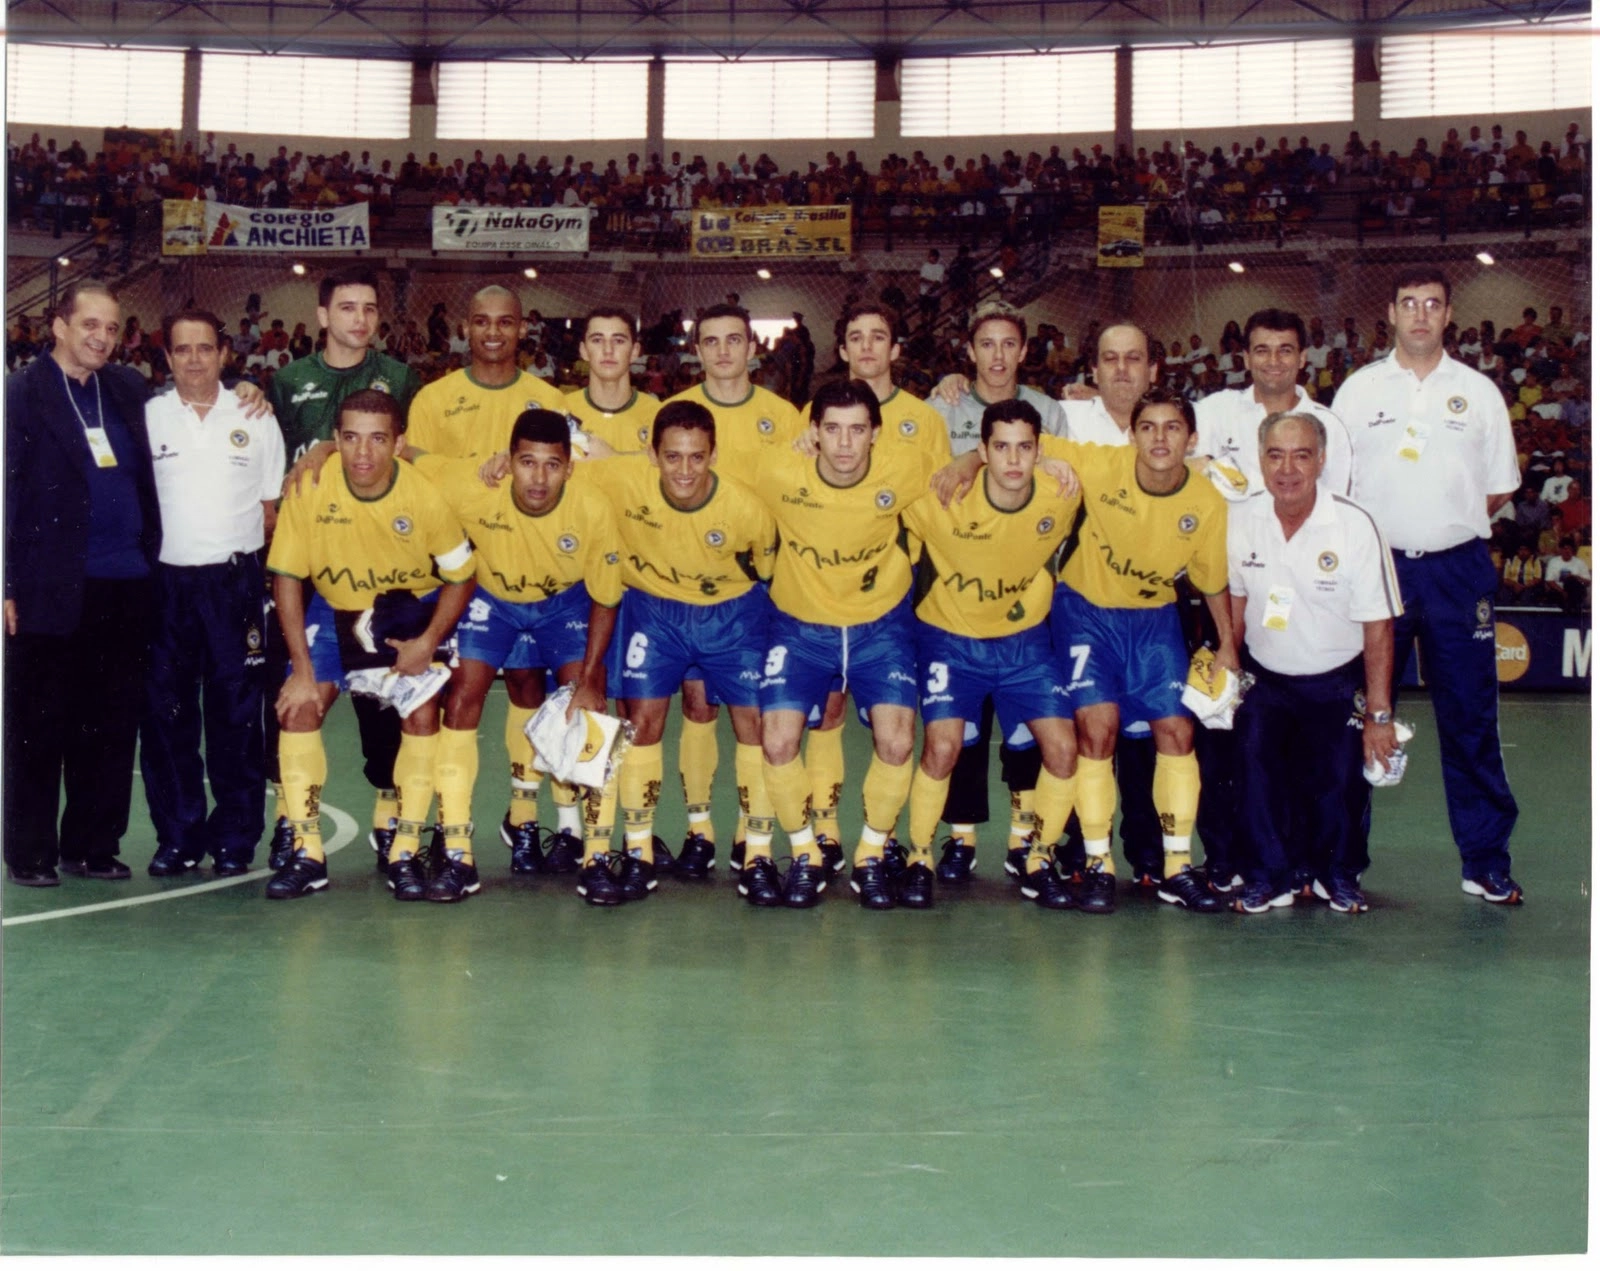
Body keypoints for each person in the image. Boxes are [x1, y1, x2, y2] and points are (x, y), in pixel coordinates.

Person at [1333, 266, 1524, 904]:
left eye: (1432, 305)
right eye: (1408, 303)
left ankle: (1485, 859)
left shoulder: (1481, 392)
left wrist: (1440, 524)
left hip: (1456, 568)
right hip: (1376, 569)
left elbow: (1497, 488)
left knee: (1470, 718)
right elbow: (1335, 490)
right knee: (1358, 715)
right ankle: (1340, 862)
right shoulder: (1358, 392)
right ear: (1390, 311)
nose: (1419, 315)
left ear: (1448, 316)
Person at [263, 390, 476, 900]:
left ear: (399, 443)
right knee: (300, 707)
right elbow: (287, 579)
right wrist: (301, 670)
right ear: (335, 441)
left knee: (422, 716)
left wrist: (428, 641)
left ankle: (404, 850)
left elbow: (462, 577)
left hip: (403, 614)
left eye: (378, 439)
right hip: (334, 609)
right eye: (352, 438)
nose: (363, 453)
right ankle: (307, 852)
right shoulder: (311, 489)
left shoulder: (423, 497)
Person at [1038, 388, 1237, 914]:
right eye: (1148, 427)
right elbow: (1023, 442)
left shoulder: (1206, 502)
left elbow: (1212, 582)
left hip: (1153, 620)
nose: (1159, 438)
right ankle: (1099, 863)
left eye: (1173, 428)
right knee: (1096, 730)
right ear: (1132, 433)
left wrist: (1228, 648)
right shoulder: (1103, 464)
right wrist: (966, 461)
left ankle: (1177, 867)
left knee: (1177, 730)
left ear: (1192, 438)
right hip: (1087, 614)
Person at [416, 409, 622, 902]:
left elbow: (607, 599)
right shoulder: (471, 487)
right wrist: (324, 449)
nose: (539, 477)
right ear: (507, 462)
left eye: (552, 465)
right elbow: (404, 453)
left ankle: (596, 857)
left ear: (570, 467)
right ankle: (458, 852)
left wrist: (590, 677)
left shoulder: (592, 510)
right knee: (463, 696)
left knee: (592, 713)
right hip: (493, 600)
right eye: (527, 462)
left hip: (564, 602)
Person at [579, 399, 778, 892]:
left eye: (696, 457)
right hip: (655, 611)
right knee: (642, 722)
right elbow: (557, 463)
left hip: (732, 615)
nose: (684, 469)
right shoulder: (619, 478)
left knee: (754, 724)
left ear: (714, 454)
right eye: (673, 457)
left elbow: (768, 571)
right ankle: (640, 851)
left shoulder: (747, 509)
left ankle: (755, 853)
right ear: (652, 454)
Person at [753, 379, 937, 908]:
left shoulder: (905, 468)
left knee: (898, 741)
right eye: (832, 429)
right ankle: (807, 853)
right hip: (800, 625)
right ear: (813, 432)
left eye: (858, 430)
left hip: (881, 626)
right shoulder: (776, 471)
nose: (844, 443)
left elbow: (970, 464)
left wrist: (1052, 464)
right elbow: (686, 470)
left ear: (876, 434)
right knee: (779, 740)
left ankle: (871, 856)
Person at [3, 282, 160, 886]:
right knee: (39, 726)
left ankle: (93, 845)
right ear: (58, 327)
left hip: (125, 586)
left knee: (111, 725)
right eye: (89, 325)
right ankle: (31, 852)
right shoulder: (20, 396)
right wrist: (5, 584)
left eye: (112, 328)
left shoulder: (125, 389)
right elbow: (5, 496)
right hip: (48, 588)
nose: (101, 337)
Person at [266, 267, 421, 870]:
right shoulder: (286, 381)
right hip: (306, 559)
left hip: (381, 565)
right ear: (323, 315)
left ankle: (391, 809)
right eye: (347, 307)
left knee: (381, 702)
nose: (360, 318)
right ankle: (290, 818)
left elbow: (409, 455)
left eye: (369, 308)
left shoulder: (400, 378)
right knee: (295, 691)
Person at [899, 399, 1081, 910]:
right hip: (950, 640)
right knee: (942, 747)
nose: (1014, 460)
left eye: (1026, 447)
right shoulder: (944, 495)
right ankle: (918, 856)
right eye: (1000, 447)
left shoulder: (1059, 495)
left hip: (1024, 644)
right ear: (981, 451)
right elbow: (877, 490)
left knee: (1064, 749)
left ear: (1040, 451)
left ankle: (1039, 856)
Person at [793, 301, 952, 871]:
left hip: (895, 598)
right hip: (822, 595)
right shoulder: (813, 415)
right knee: (829, 712)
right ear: (841, 350)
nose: (866, 347)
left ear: (896, 348)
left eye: (878, 337)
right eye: (855, 337)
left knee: (899, 726)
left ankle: (892, 841)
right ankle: (828, 827)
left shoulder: (925, 419)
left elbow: (940, 501)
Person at [1226, 411, 1403, 914]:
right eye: (1276, 455)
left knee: (1340, 779)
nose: (1288, 469)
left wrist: (1379, 714)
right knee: (1255, 769)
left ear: (1321, 460)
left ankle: (1337, 872)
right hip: (1267, 676)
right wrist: (1225, 671)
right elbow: (1236, 605)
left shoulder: (1354, 524)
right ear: (1260, 461)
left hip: (1337, 677)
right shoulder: (1243, 519)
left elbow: (1379, 627)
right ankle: (1267, 876)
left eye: (1301, 455)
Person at [927, 300, 1069, 882]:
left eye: (1009, 343)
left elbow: (1061, 475)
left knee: (1023, 724)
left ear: (1025, 351)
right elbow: (928, 477)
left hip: (1025, 588)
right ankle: (958, 838)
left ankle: (1023, 832)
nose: (998, 355)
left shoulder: (1049, 410)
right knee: (962, 723)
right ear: (969, 351)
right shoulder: (945, 403)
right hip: (956, 587)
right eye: (986, 343)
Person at [140, 309, 285, 878]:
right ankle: (177, 836)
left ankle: (234, 839)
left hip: (233, 583)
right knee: (166, 716)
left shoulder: (255, 415)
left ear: (224, 353)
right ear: (168, 357)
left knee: (236, 713)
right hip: (166, 585)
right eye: (183, 349)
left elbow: (272, 511)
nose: (194, 359)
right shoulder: (147, 418)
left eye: (205, 348)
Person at [657, 304, 801, 867]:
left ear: (752, 348)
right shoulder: (677, 411)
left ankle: (750, 830)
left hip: (760, 583)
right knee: (696, 705)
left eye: (733, 340)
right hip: (690, 583)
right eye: (710, 341)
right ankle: (699, 831)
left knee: (753, 708)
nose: (722, 351)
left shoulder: (783, 416)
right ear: (697, 349)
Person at [405, 285, 567, 461]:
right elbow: (417, 475)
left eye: (505, 322)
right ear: (466, 328)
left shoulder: (551, 400)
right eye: (481, 322)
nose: (492, 332)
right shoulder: (431, 399)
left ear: (522, 329)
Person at [563, 307, 659, 456]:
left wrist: (611, 455)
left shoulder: (658, 415)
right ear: (583, 350)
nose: (608, 349)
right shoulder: (562, 412)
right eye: (597, 340)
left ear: (634, 351)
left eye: (619, 341)